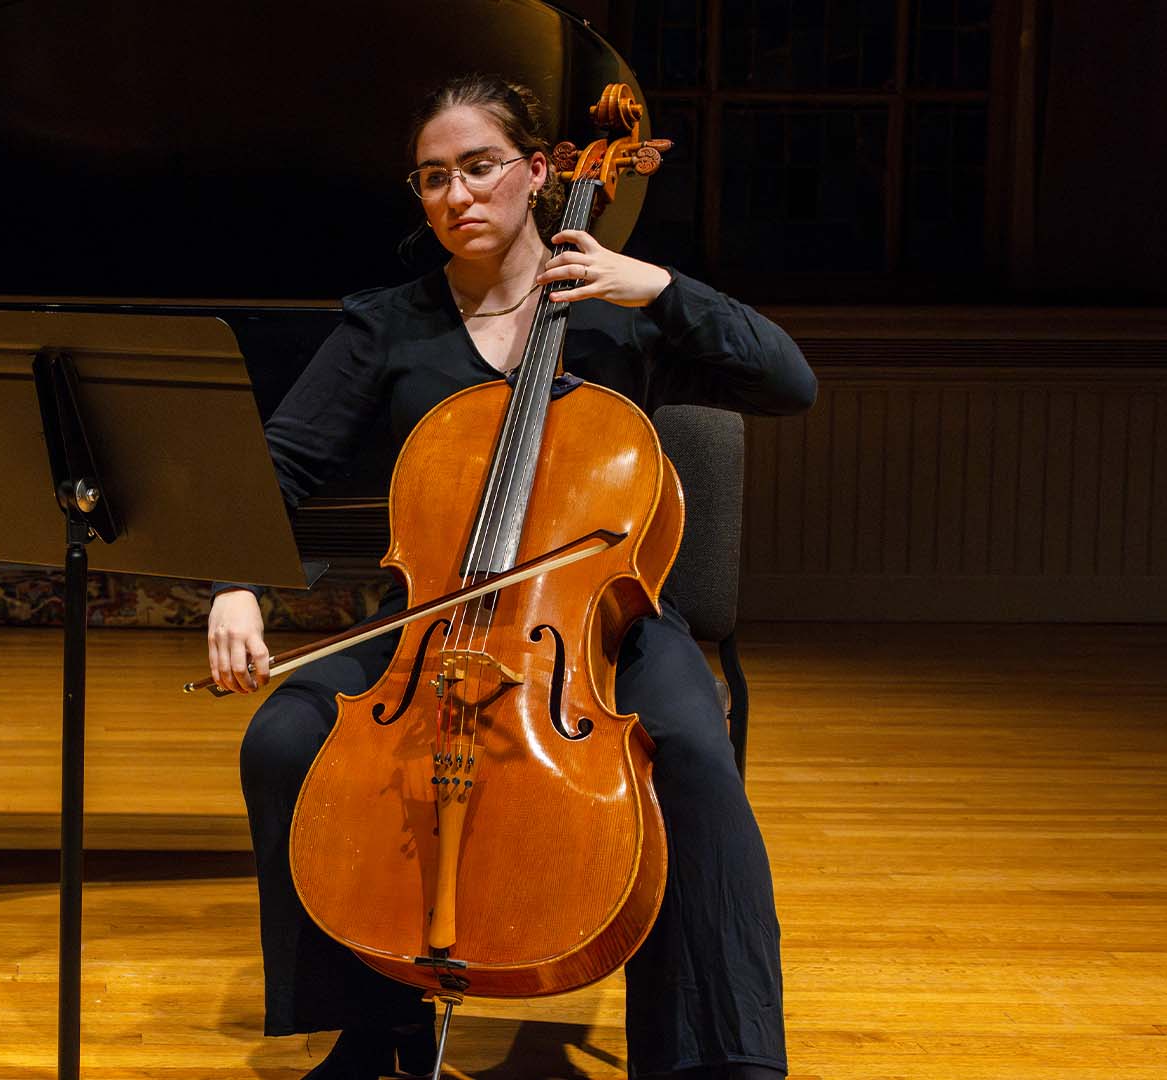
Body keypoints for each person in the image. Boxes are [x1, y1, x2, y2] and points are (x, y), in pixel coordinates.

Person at [206, 74, 815, 1080]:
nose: (457, 195)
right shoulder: (389, 325)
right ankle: (377, 1025)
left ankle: (718, 1055)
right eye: (433, 176)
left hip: (601, 629)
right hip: (430, 624)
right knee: (284, 738)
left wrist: (655, 285)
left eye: (481, 167)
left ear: (538, 173)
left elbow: (789, 383)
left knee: (695, 760)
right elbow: (276, 468)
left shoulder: (617, 308)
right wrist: (233, 579)